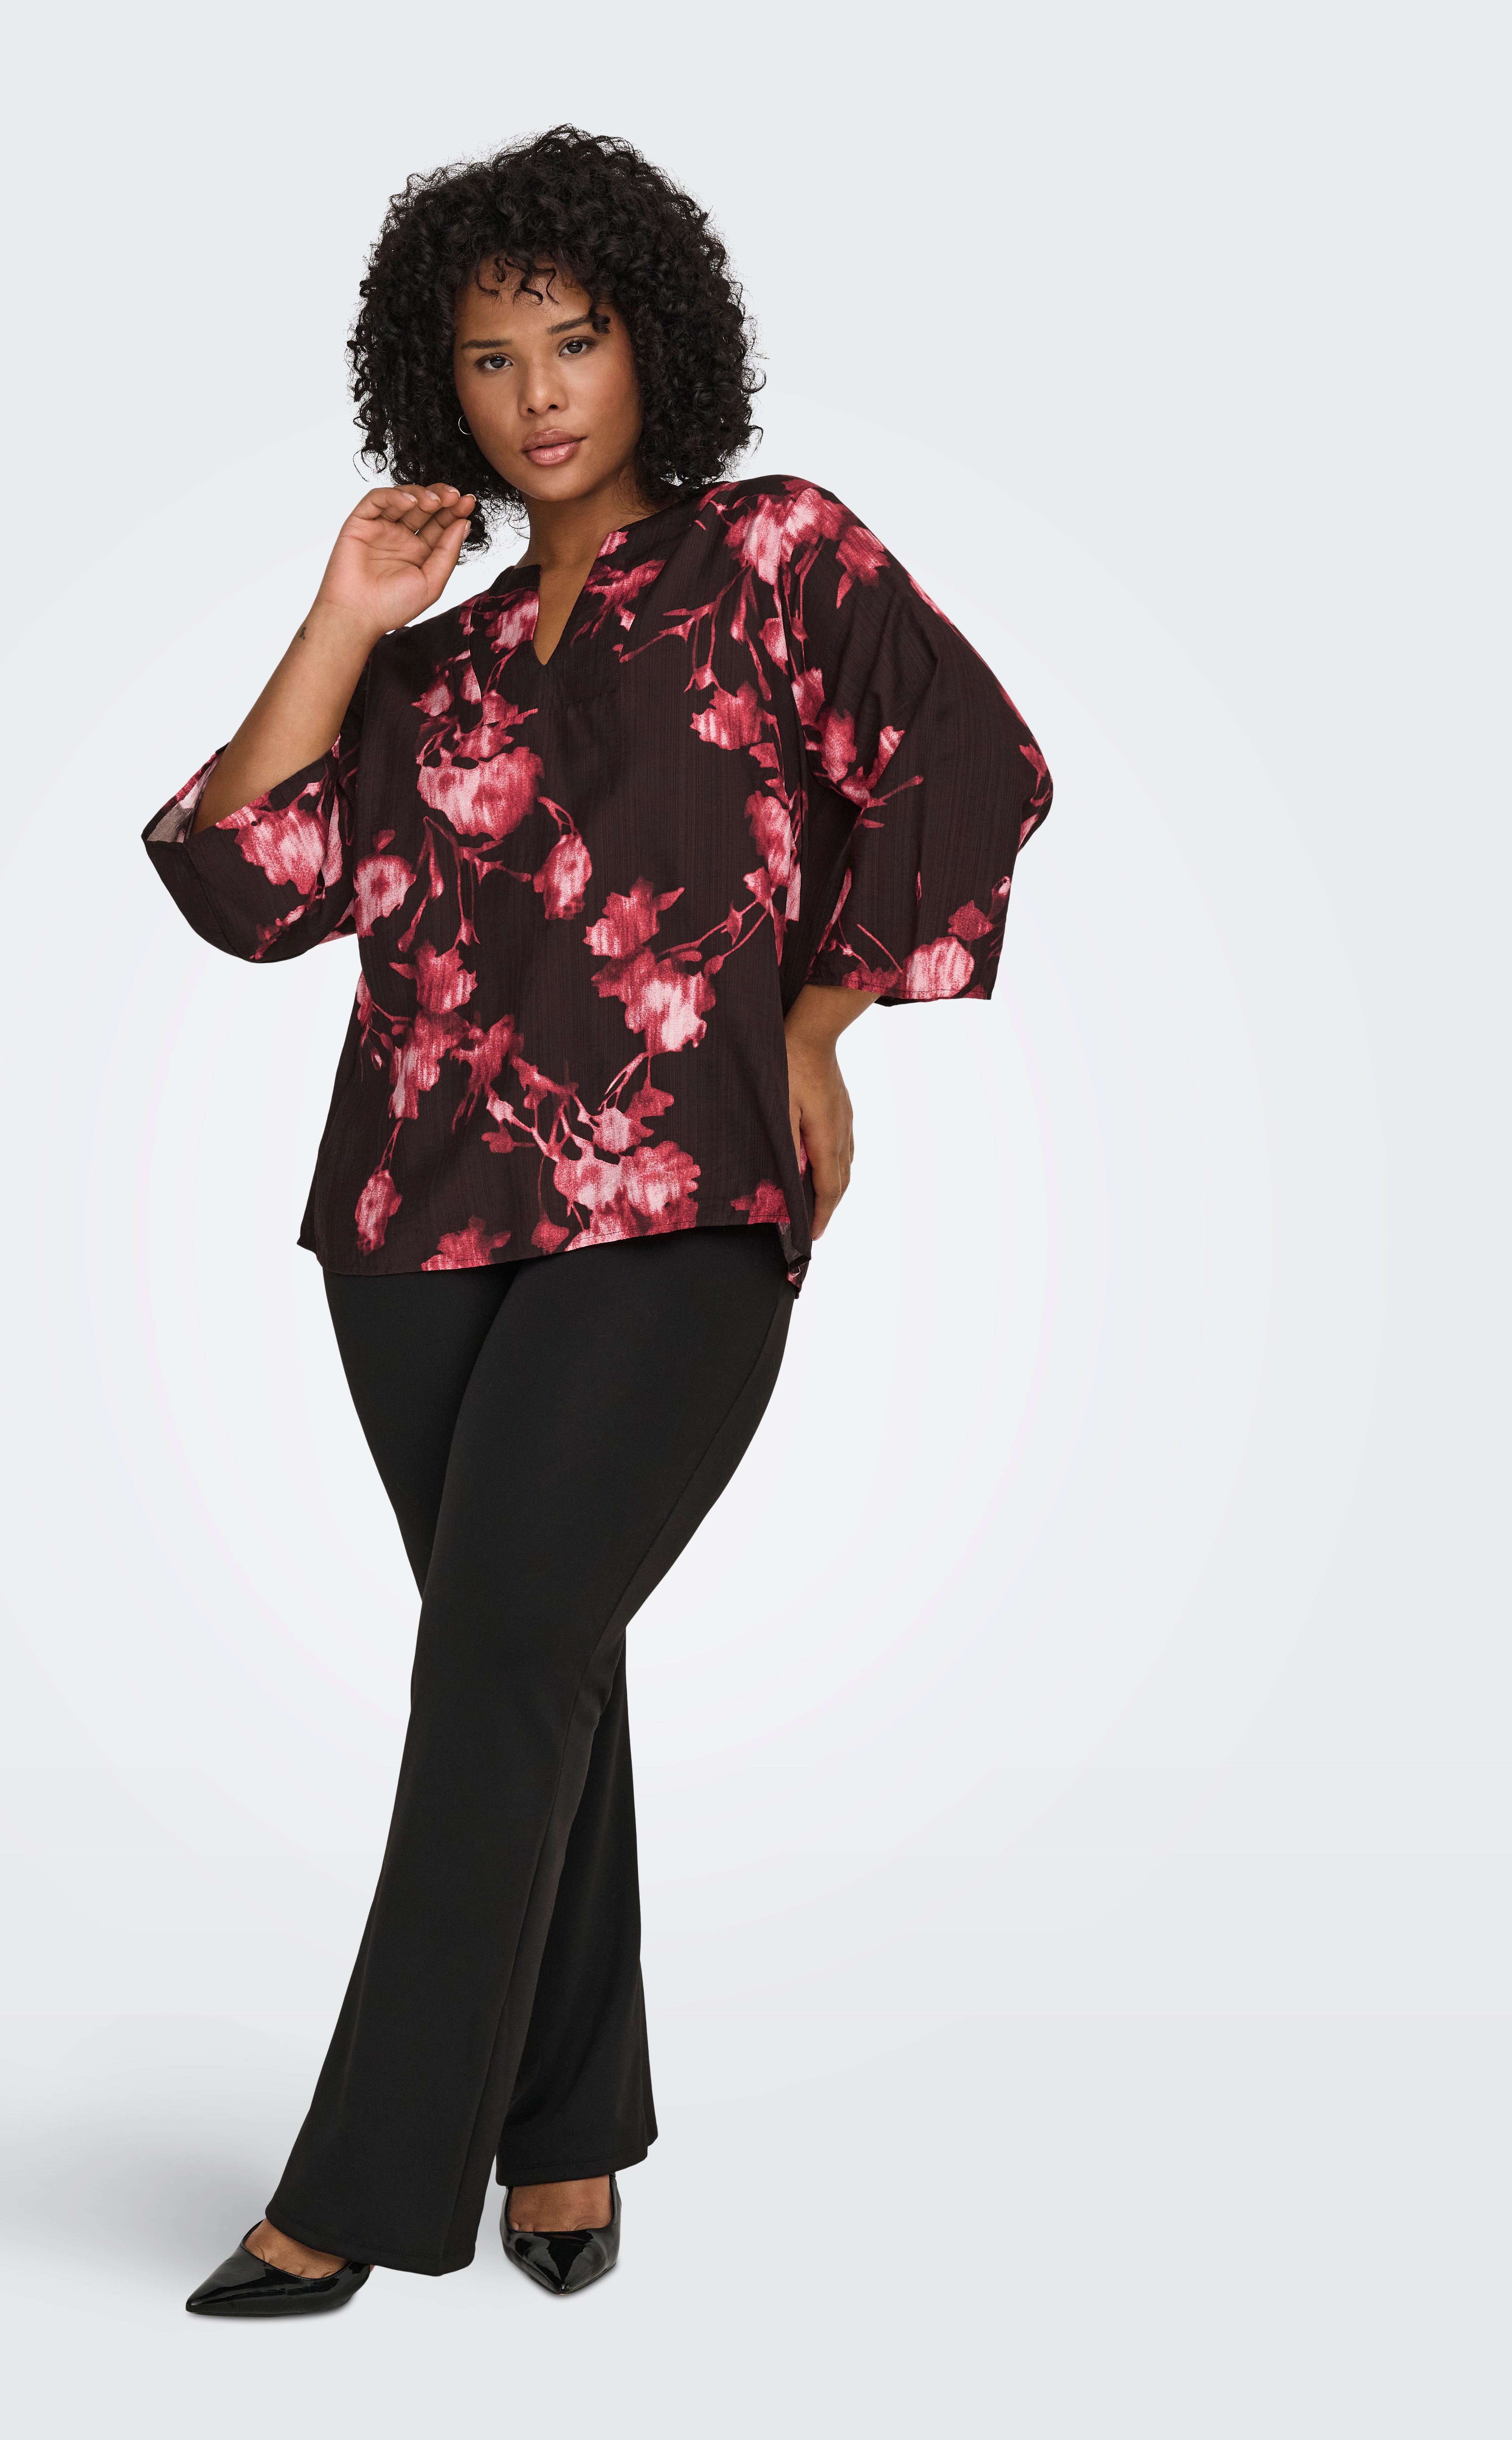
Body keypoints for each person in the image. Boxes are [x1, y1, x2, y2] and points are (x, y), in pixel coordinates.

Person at [144, 125, 1051, 2315]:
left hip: (681, 1198)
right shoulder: (431, 662)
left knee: (501, 1655)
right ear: (432, 385)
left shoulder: (774, 554)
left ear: (656, 344)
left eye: (574, 338)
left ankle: (354, 2191)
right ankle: (562, 2138)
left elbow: (973, 760)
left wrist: (817, 1024)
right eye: (488, 358)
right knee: (533, 1658)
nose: (537, 392)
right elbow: (235, 883)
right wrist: (343, 617)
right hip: (409, 1221)